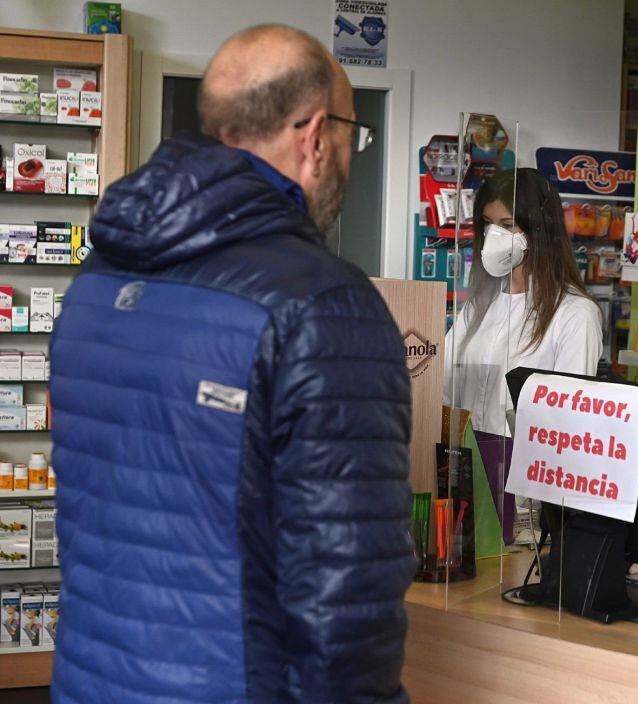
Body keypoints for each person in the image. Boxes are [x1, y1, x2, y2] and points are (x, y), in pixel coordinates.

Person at [49, 25, 415, 703]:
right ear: (312, 135)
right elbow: (346, 603)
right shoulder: (323, 307)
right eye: (348, 138)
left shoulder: (96, 280)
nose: (345, 156)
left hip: (92, 681)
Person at [444, 168, 603, 435]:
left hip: (526, 470)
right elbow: (443, 387)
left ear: (538, 229)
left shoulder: (575, 314)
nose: (494, 235)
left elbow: (569, 424)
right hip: (468, 463)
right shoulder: (478, 306)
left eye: (507, 226)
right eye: (487, 223)